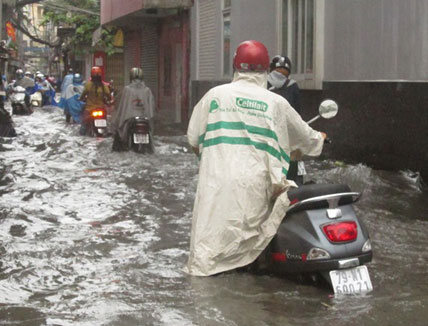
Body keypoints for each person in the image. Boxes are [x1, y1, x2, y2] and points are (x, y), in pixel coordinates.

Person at [186, 40, 327, 277]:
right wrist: (320, 138)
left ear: (235, 67)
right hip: (255, 188)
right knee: (254, 246)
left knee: (208, 253)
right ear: (265, 70)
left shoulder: (214, 97)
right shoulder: (276, 103)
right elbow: (307, 139)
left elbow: (193, 139)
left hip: (216, 186)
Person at [268, 55, 304, 184]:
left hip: (265, 137)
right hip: (288, 139)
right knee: (296, 170)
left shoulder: (261, 85)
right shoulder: (293, 86)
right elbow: (298, 117)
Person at [111, 67, 155, 151]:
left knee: (118, 139)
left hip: (128, 119)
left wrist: (117, 121)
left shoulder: (127, 90)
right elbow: (151, 107)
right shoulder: (147, 90)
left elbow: (121, 106)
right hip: (144, 120)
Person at [79, 66, 112, 135]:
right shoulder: (104, 86)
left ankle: (81, 135)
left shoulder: (88, 85)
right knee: (106, 124)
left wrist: (81, 99)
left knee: (83, 125)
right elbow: (109, 96)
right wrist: (109, 101)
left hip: (89, 109)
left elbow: (83, 95)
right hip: (101, 109)